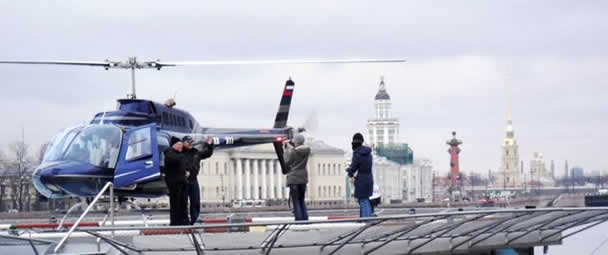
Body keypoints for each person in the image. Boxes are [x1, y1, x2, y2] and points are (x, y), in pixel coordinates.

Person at [182, 135, 214, 225]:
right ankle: (184, 220)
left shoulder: (196, 153)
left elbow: (208, 153)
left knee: (195, 200)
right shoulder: (180, 153)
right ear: (183, 143)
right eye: (188, 142)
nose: (190, 144)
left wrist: (210, 144)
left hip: (193, 179)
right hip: (182, 180)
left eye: (191, 142)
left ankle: (195, 219)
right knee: (183, 201)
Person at [346, 133, 374, 218]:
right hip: (369, 178)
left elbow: (354, 167)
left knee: (362, 200)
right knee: (366, 200)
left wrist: (349, 171)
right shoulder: (369, 153)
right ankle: (367, 218)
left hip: (361, 179)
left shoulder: (357, 153)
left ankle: (365, 220)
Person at [283, 134, 310, 221]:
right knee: (301, 200)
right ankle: (305, 218)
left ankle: (298, 219)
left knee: (295, 200)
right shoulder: (307, 150)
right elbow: (297, 150)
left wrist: (286, 150)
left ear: (297, 141)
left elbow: (287, 162)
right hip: (303, 178)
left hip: (294, 178)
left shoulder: (294, 152)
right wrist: (291, 146)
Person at [163, 137, 189, 225]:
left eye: (181, 145)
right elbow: (174, 160)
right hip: (174, 182)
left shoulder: (179, 154)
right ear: (174, 145)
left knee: (184, 202)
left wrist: (186, 171)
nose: (181, 147)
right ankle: (175, 222)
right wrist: (183, 155)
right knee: (175, 203)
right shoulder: (169, 153)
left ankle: (184, 221)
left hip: (182, 181)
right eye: (179, 145)